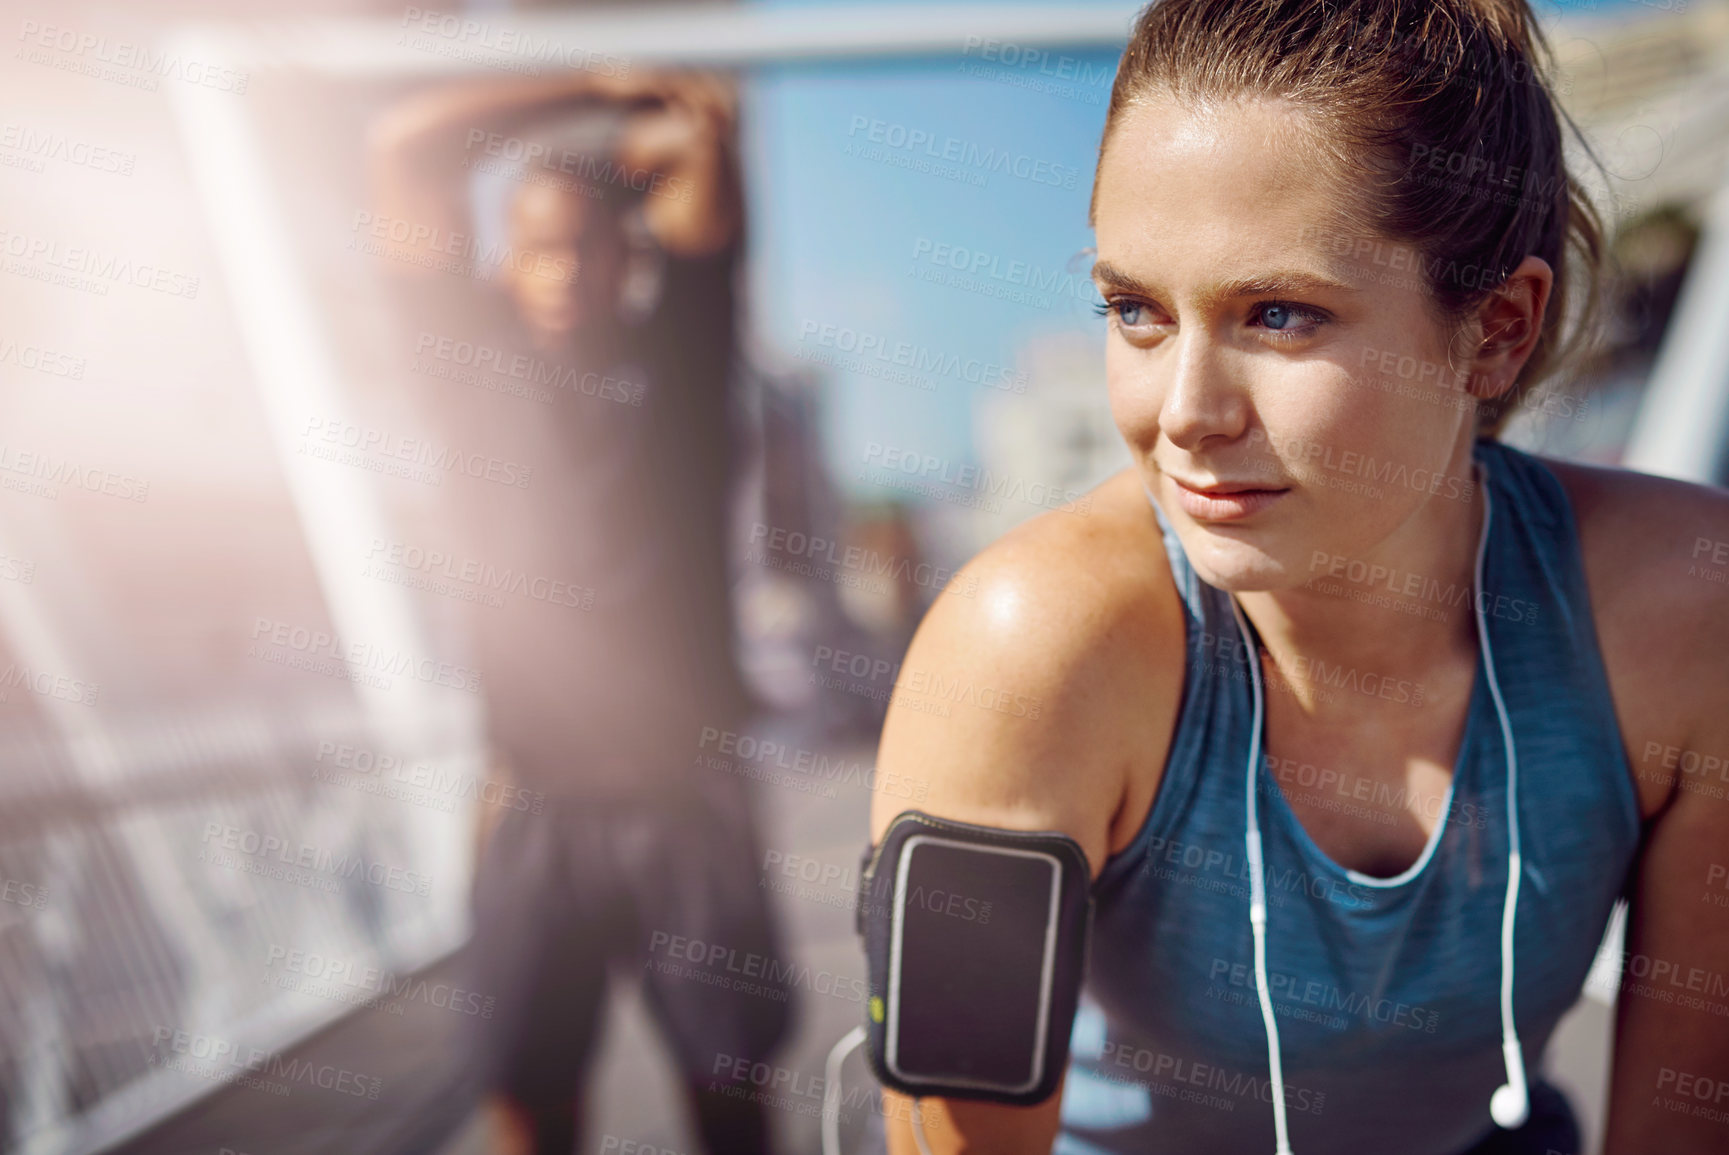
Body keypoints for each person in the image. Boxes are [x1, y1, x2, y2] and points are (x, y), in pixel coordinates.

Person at [865, 1, 1729, 1152]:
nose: (1183, 415)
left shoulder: (1680, 610)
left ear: (1498, 331)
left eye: (1277, 315)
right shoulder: (1027, 647)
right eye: (1136, 311)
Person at [367, 71, 791, 1155]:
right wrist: (590, 87)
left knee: (729, 1104)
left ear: (625, 257)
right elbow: (405, 148)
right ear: (503, 262)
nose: (561, 269)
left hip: (683, 799)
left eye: (585, 244)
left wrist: (608, 155)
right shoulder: (462, 365)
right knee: (527, 1101)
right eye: (536, 245)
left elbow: (697, 140)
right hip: (531, 802)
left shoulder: (681, 357)